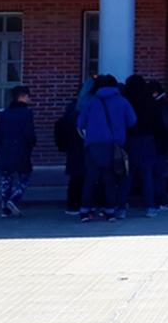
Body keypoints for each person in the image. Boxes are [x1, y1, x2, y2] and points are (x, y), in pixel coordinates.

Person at [76, 74, 136, 222]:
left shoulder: (91, 101)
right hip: (113, 143)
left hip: (92, 144)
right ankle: (110, 212)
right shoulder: (122, 101)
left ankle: (84, 211)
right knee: (109, 179)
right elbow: (132, 121)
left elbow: (80, 122)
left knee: (90, 178)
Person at [0, 84, 36, 217]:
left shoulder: (6, 113)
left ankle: (4, 206)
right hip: (21, 148)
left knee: (6, 179)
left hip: (6, 148)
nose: (29, 99)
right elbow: (29, 132)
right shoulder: (26, 113)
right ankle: (13, 200)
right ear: (22, 97)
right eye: (27, 96)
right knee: (25, 176)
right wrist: (32, 144)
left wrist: (1, 147)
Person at [123, 74, 160, 218]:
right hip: (147, 138)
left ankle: (121, 207)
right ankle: (149, 206)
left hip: (129, 138)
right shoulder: (149, 100)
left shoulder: (126, 100)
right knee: (146, 173)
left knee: (127, 174)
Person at [148, 80, 168, 207]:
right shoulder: (167, 106)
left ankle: (159, 197)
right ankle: (160, 197)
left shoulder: (157, 107)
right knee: (159, 171)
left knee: (156, 172)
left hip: (157, 142)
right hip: (163, 143)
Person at [54, 98, 87, 214]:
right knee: (84, 178)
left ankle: (72, 204)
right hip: (82, 150)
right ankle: (81, 203)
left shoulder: (65, 120)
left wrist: (63, 148)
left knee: (74, 179)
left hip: (72, 151)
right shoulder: (83, 117)